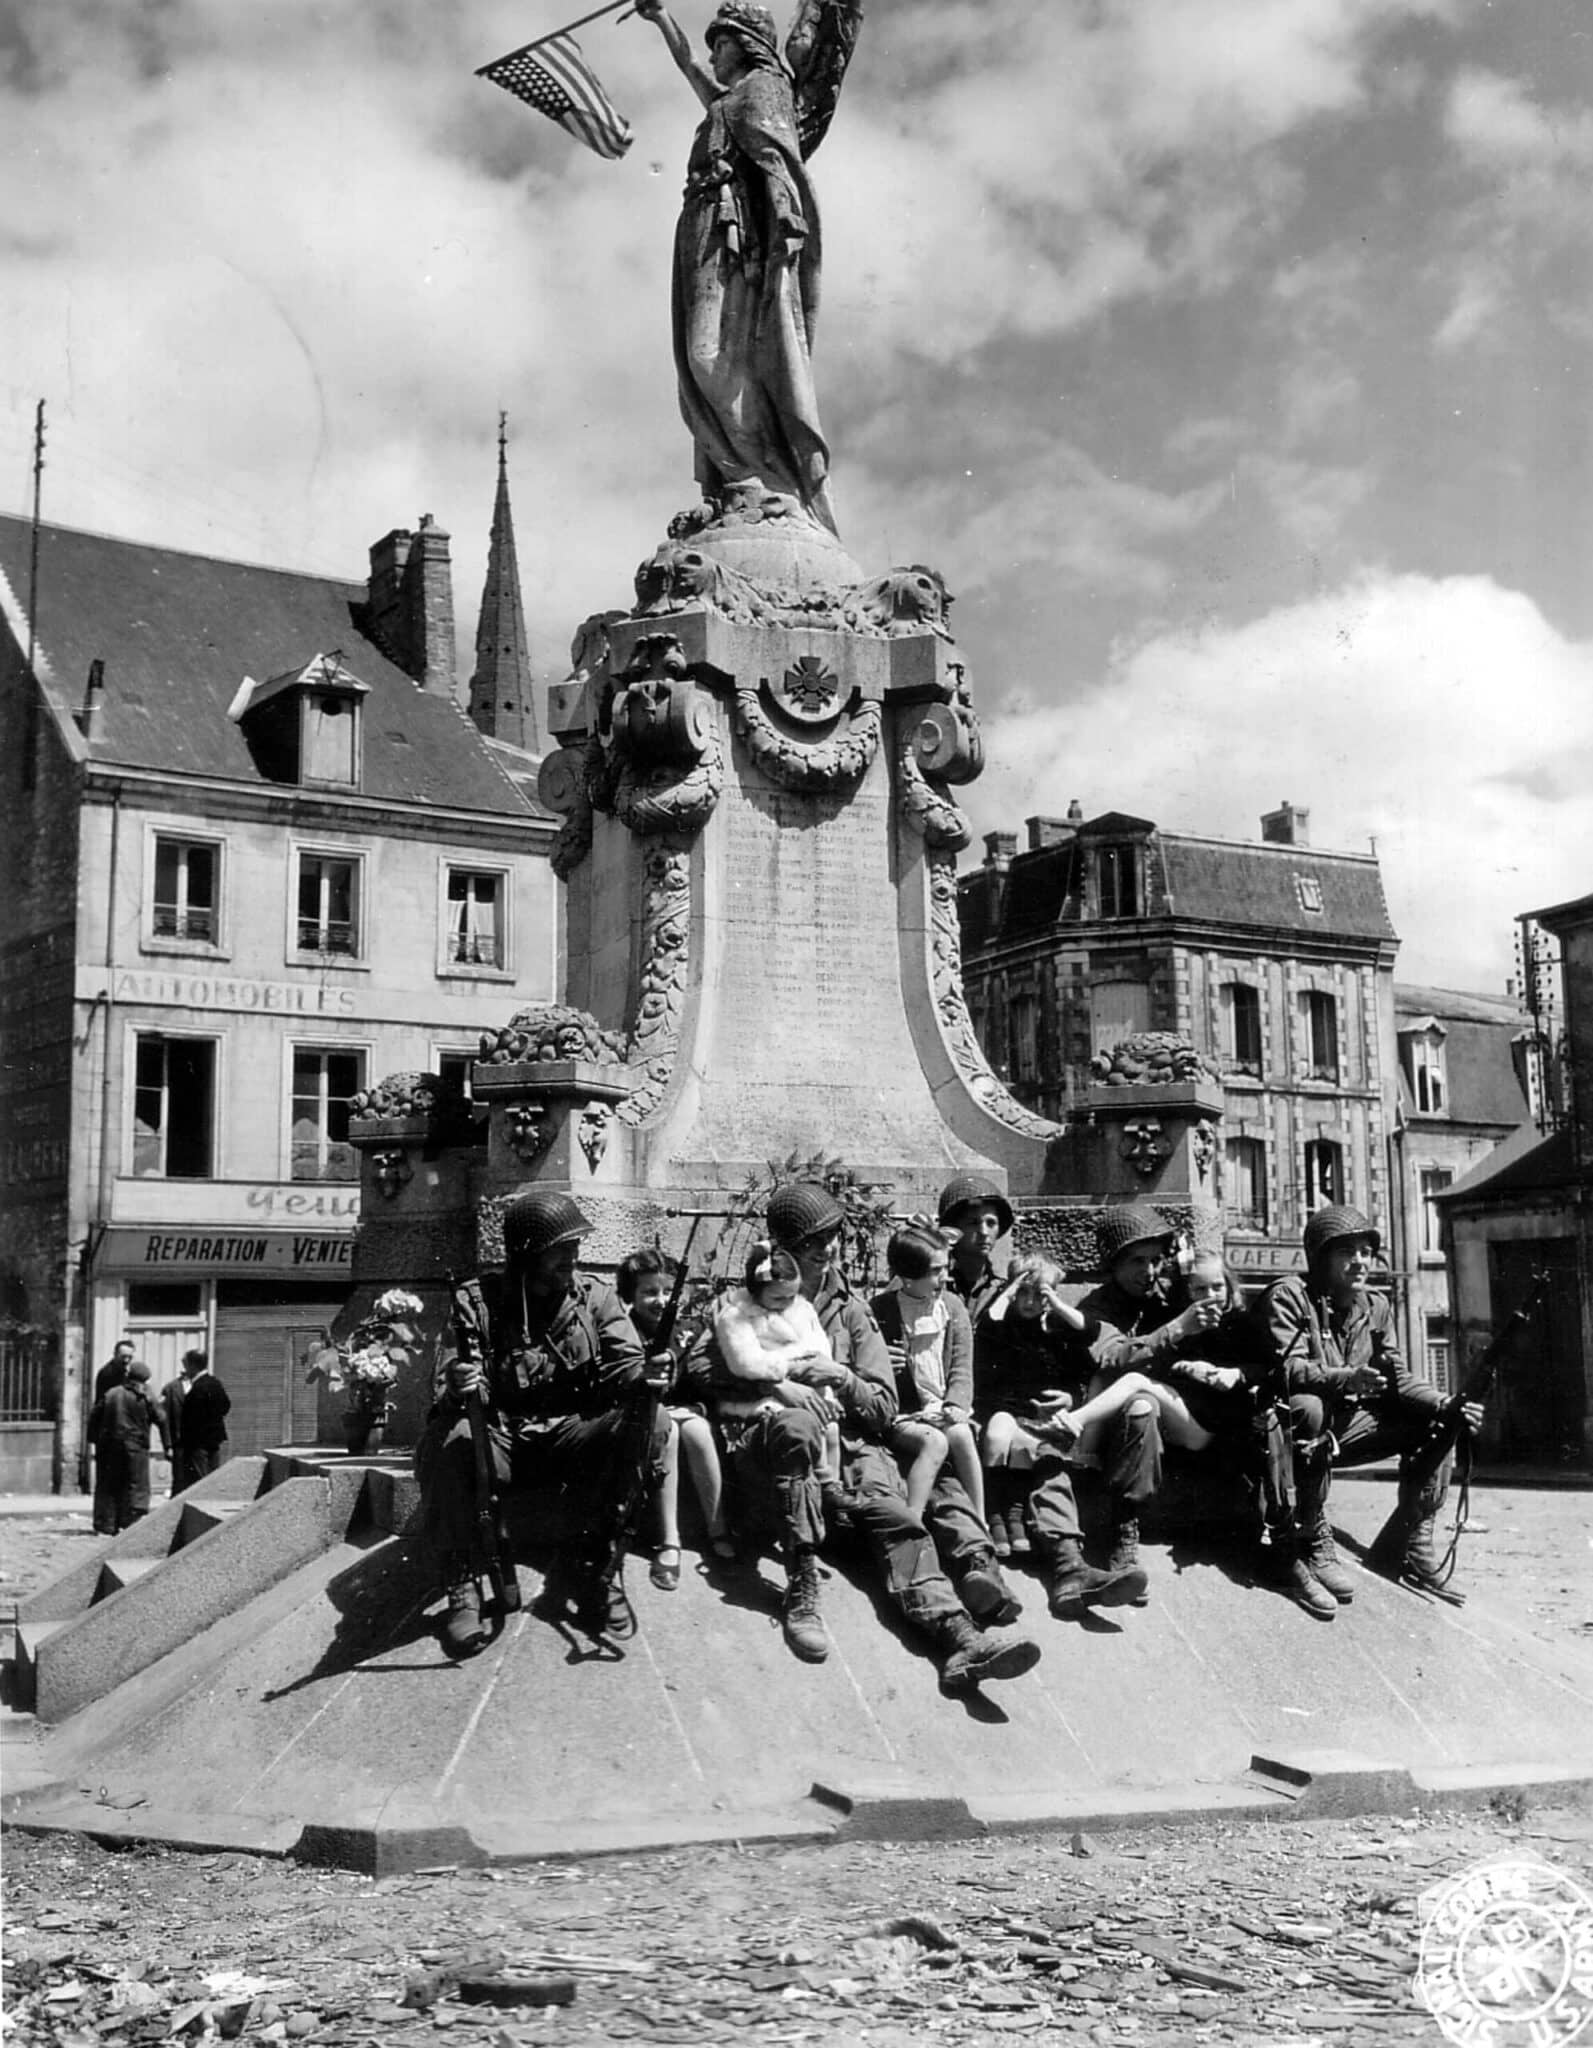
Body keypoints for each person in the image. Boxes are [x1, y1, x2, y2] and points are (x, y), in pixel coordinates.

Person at [708, 1180, 1038, 1690]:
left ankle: (962, 1634)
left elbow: (883, 1405)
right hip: (773, 1445)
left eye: (833, 1237)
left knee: (900, 1512)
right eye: (813, 1243)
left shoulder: (852, 1311)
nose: (828, 1250)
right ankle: (802, 1588)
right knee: (796, 1425)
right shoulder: (741, 1303)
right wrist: (778, 1383)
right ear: (783, 1248)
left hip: (850, 1455)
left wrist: (841, 1377)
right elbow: (699, 1372)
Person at [416, 1189, 669, 1656]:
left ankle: (599, 1567)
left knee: (651, 1421)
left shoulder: (595, 1297)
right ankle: (463, 1580)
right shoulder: (477, 1301)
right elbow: (446, 1382)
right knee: (449, 1439)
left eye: (574, 1247)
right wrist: (461, 1383)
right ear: (527, 1252)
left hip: (574, 1434)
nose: (571, 1257)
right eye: (561, 1248)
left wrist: (647, 1374)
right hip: (502, 1436)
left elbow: (625, 1364)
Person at [634, 0, 842, 532]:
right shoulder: (727, 99)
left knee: (711, 357)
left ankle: (766, 476)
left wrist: (786, 216)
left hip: (736, 235)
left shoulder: (763, 88)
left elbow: (778, 157)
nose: (713, 54)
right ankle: (737, 478)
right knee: (696, 359)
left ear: (746, 44)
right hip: (702, 224)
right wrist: (660, 19)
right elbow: (689, 68)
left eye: (720, 43)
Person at [1261, 1205, 1481, 1610]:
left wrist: (1447, 1402)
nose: (1359, 1260)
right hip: (1298, 1432)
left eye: (1365, 1250)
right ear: (1320, 1257)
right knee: (1306, 1406)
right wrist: (1345, 1377)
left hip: (1347, 1428)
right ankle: (1311, 1534)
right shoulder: (1290, 1296)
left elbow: (1397, 1376)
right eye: (1347, 1252)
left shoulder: (1375, 1307)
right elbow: (1286, 1369)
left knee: (1438, 1418)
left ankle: (1413, 1539)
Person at [973, 1255, 1150, 1618]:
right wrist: (1011, 1289)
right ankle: (1069, 1569)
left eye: (1040, 1294)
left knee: (1050, 1461)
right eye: (1024, 1292)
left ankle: (1071, 1571)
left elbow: (1085, 1344)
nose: (1031, 1301)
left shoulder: (1055, 1330)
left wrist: (1070, 1396)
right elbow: (988, 1325)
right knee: (1044, 1460)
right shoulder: (1000, 1325)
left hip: (1048, 1427)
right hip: (1008, 1420)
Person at [618, 1248, 735, 1586]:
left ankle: (718, 1527)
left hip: (685, 1410)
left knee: (698, 1431)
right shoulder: (625, 1330)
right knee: (668, 1433)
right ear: (631, 1295)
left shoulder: (687, 1330)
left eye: (667, 1291)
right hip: (645, 1416)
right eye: (649, 1292)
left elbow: (696, 1376)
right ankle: (670, 1539)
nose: (660, 1299)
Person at [714, 1241, 846, 1504]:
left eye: (791, 1297)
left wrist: (816, 1370)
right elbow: (745, 1361)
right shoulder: (737, 1316)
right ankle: (819, 1479)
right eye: (777, 1298)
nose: (785, 1304)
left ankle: (832, 1485)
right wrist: (789, 1366)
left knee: (830, 1428)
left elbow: (819, 1347)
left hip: (807, 1383)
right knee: (804, 1425)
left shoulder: (802, 1309)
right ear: (755, 1291)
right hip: (764, 1392)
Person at [870, 1224, 984, 1521]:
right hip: (903, 1413)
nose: (943, 1277)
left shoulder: (951, 1307)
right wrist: (882, 1363)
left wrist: (956, 1405)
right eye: (934, 1271)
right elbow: (866, 1365)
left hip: (942, 1407)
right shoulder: (882, 1309)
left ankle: (979, 1516)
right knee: (935, 1442)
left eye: (945, 1268)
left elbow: (962, 1364)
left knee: (960, 1434)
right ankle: (913, 1520)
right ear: (907, 1275)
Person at [939, 1174, 1013, 1327]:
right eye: (973, 1223)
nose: (984, 1232)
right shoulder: (931, 1281)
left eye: (991, 1223)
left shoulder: (1004, 1290)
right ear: (954, 1229)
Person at [93, 1361, 159, 1533]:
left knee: (112, 1484)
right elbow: (161, 1417)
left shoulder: (112, 1393)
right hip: (136, 1446)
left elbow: (95, 1416)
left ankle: (108, 1524)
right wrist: (168, 1444)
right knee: (136, 1485)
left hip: (112, 1446)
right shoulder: (146, 1395)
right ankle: (131, 1523)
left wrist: (94, 1440)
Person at [89, 1339, 139, 1532]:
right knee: (107, 1482)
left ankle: (116, 1521)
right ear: (115, 1355)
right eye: (123, 1356)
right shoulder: (108, 1374)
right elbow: (104, 1406)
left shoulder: (126, 1373)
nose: (127, 1360)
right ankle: (105, 1522)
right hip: (109, 1435)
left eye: (129, 1357)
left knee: (119, 1480)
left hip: (119, 1435)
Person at [177, 1349, 230, 1489]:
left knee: (200, 1482)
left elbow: (192, 1417)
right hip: (214, 1440)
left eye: (186, 1365)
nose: (185, 1369)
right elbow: (226, 1405)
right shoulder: (215, 1383)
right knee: (212, 1478)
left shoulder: (198, 1388)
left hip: (197, 1443)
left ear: (193, 1366)